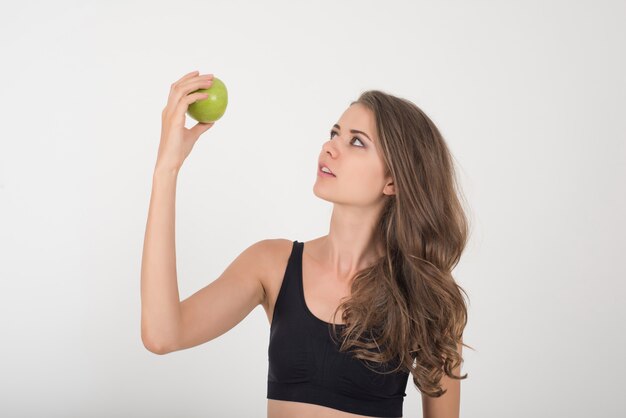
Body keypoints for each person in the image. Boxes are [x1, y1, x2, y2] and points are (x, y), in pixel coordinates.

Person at [141, 70, 472, 418]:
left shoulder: (426, 294)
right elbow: (163, 335)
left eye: (356, 141)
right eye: (334, 133)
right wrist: (167, 168)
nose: (330, 147)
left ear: (393, 180)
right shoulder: (271, 264)